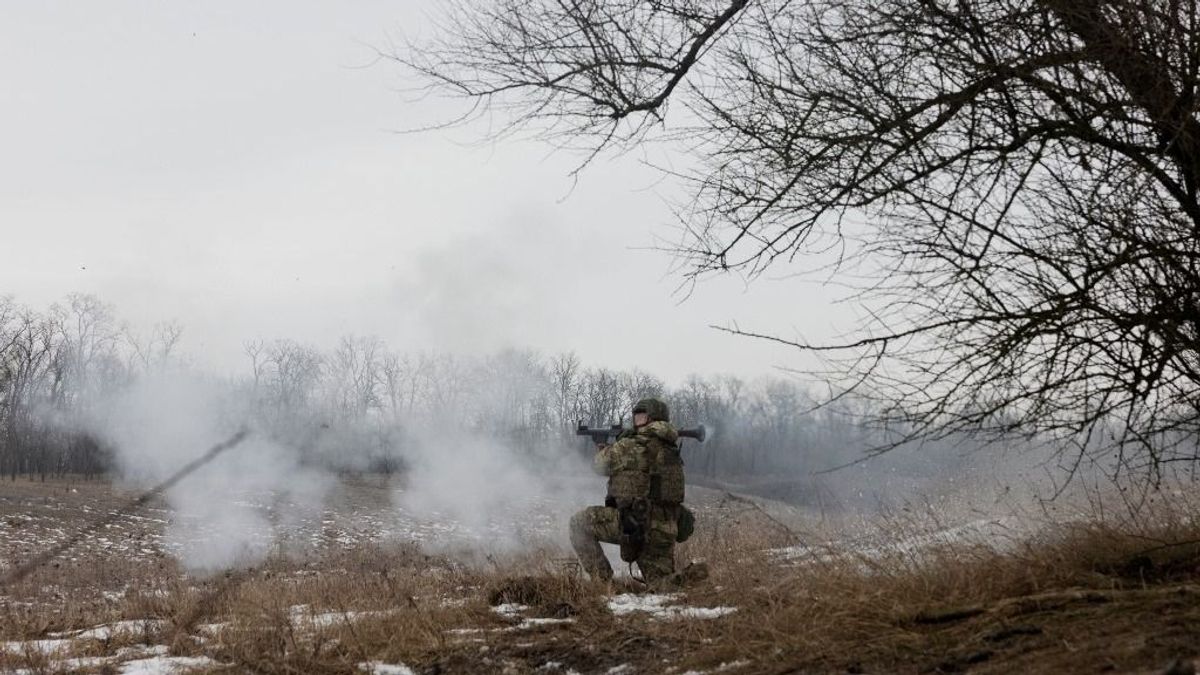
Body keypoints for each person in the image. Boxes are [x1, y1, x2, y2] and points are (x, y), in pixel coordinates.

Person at [569, 397, 693, 585]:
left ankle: (602, 582)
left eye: (642, 417)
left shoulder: (630, 445)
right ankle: (695, 580)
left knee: (578, 524)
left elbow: (599, 466)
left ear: (653, 418)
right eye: (636, 417)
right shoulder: (670, 449)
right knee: (663, 585)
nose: (637, 421)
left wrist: (603, 449)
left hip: (635, 526)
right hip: (665, 529)